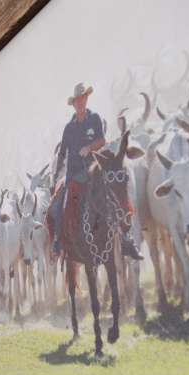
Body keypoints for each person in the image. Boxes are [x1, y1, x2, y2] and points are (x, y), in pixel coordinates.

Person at [48, 82, 142, 260]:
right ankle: (58, 242)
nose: (80, 103)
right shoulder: (69, 128)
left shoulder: (95, 119)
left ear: (86, 99)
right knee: (59, 204)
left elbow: (102, 141)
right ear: (74, 104)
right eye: (77, 101)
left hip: (94, 171)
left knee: (116, 194)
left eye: (83, 99)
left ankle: (127, 240)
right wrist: (55, 177)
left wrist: (89, 148)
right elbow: (62, 154)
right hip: (73, 176)